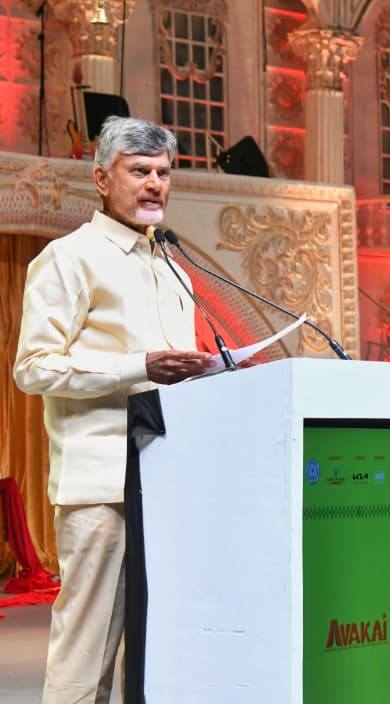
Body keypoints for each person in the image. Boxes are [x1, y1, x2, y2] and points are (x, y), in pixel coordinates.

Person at [13, 117, 211, 703]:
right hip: (100, 487)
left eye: (164, 173)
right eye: (139, 171)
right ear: (102, 179)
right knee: (87, 652)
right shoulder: (68, 258)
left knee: (158, 652)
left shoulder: (172, 265)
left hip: (167, 485)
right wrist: (138, 366)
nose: (155, 184)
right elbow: (33, 368)